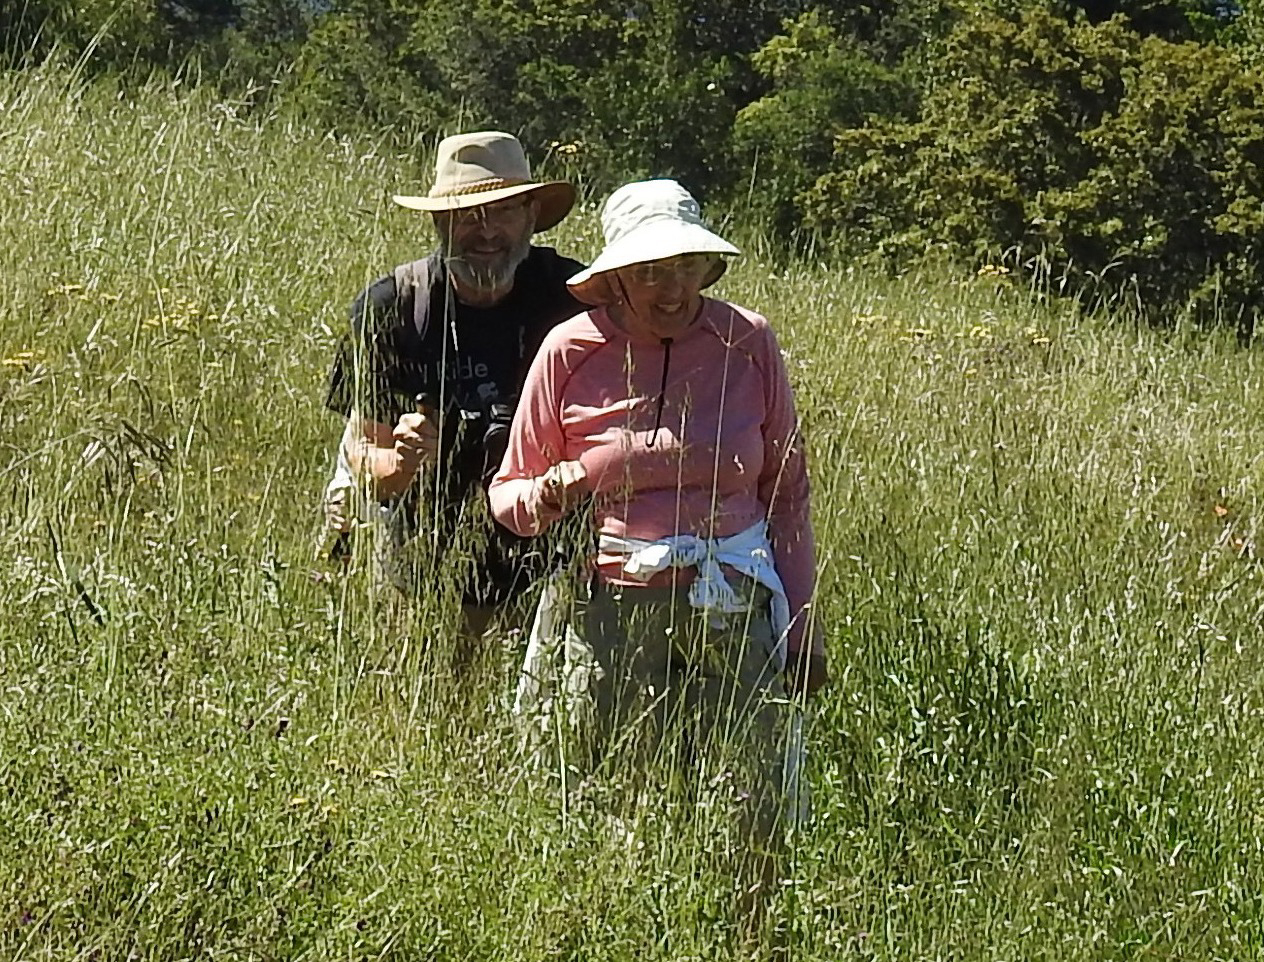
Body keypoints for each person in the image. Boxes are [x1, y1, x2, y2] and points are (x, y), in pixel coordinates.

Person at [487, 179, 828, 933]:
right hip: (606, 606)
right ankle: (611, 933)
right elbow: (507, 497)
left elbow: (788, 495)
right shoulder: (570, 351)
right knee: (603, 794)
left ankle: (747, 937)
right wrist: (553, 492)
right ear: (614, 276)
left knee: (754, 804)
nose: (670, 288)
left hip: (734, 606)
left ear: (707, 269)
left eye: (684, 267)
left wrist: (802, 629)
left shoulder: (748, 342)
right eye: (649, 270)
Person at [323, 131, 586, 641]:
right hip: (424, 566)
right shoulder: (393, 308)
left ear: (531, 215)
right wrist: (402, 463)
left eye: (503, 211)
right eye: (466, 215)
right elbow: (365, 457)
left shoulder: (574, 300)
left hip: (551, 571)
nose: (484, 231)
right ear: (439, 222)